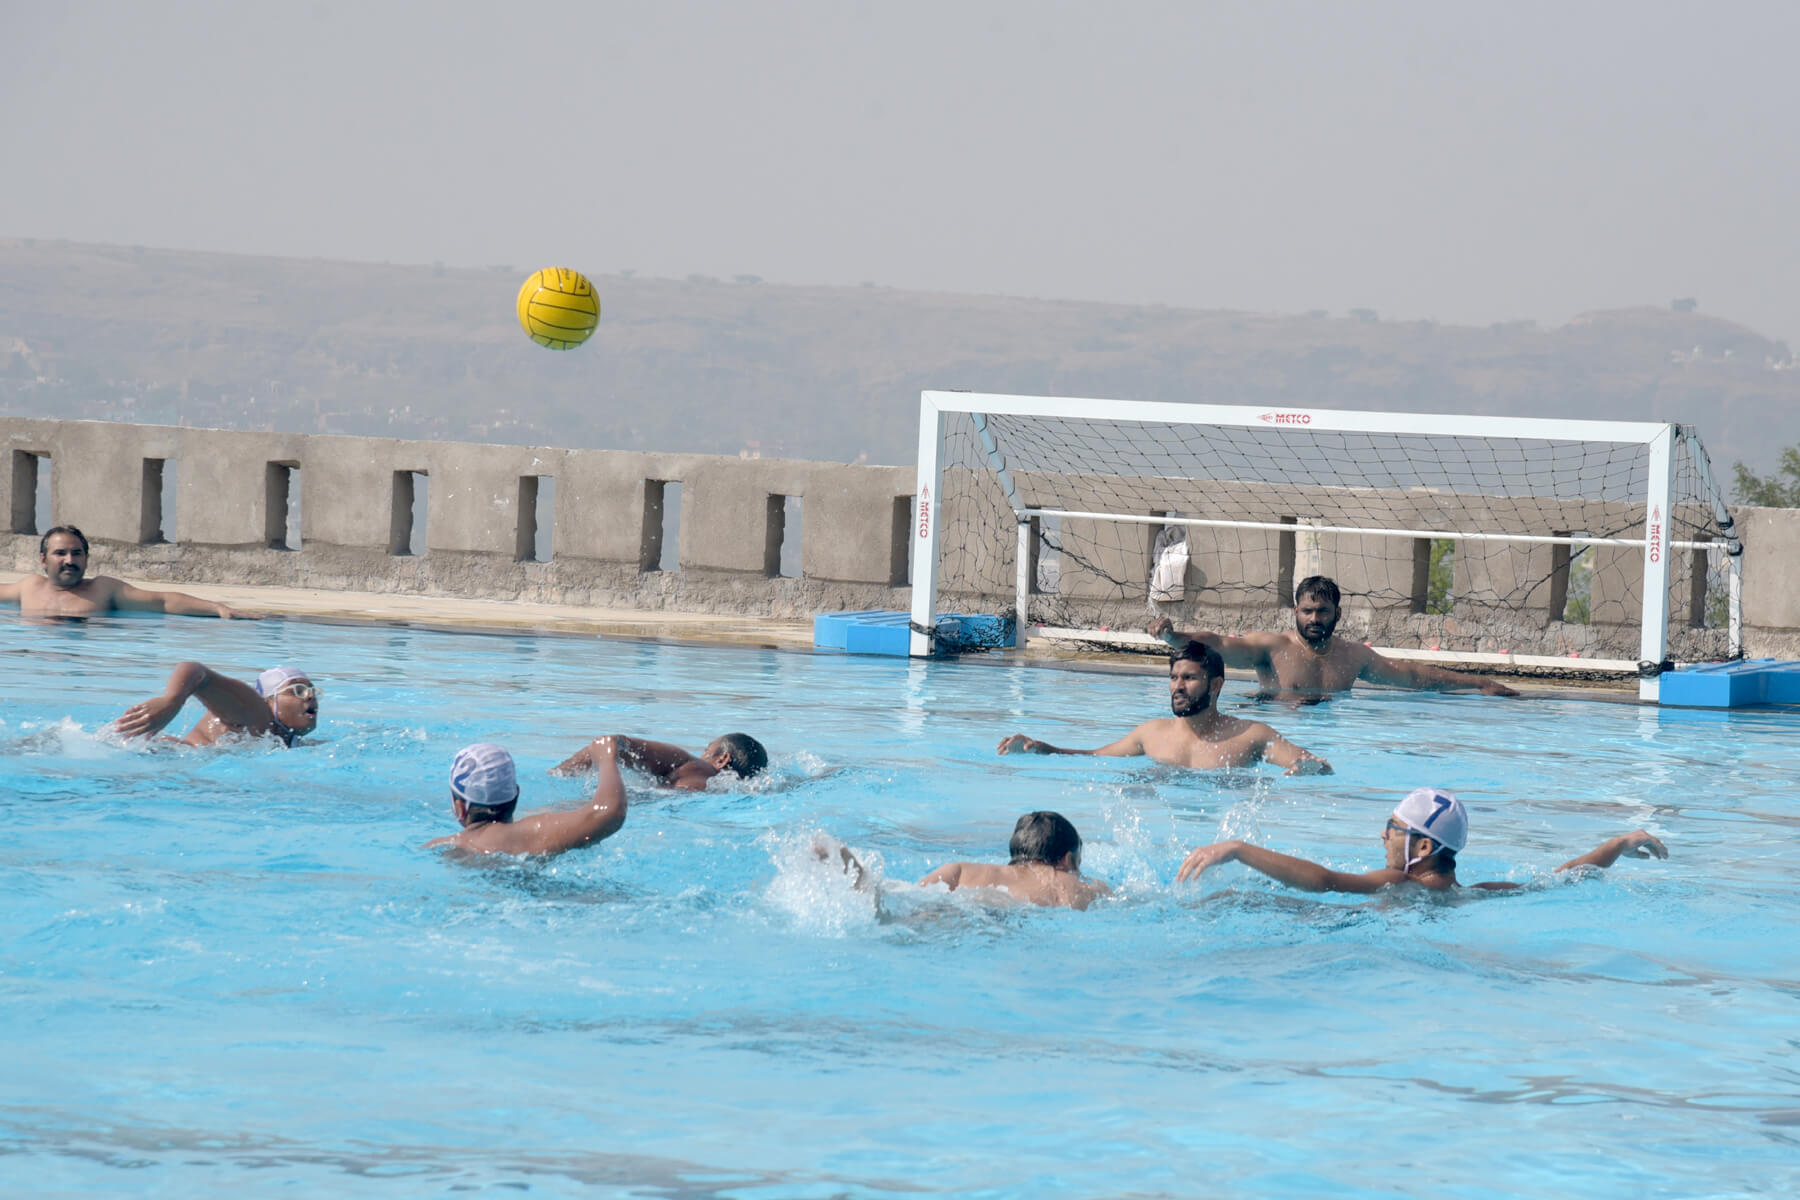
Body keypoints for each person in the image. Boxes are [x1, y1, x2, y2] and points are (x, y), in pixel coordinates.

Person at [1176, 786, 1668, 893]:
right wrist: (1619, 843)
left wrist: (1238, 848)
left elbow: (1324, 881)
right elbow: (1566, 876)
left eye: (1393, 829)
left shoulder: (1398, 883)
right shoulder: (1477, 894)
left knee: (1239, 900)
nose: (1383, 836)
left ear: (1424, 846)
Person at [1149, 575, 1516, 699]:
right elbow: (1220, 644)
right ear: (1295, 612)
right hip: (1278, 720)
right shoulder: (1270, 649)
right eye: (1307, 611)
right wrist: (1173, 637)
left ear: (1337, 614)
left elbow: (1413, 676)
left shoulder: (1353, 655)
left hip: (1333, 736)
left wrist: (1479, 683)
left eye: (1323, 612)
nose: (1314, 619)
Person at [997, 642, 1331, 774]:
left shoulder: (1251, 735)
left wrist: (1311, 769)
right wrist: (1045, 750)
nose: (1178, 687)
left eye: (1189, 678)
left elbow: (1310, 765)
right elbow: (1095, 758)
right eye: (1173, 677)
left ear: (1216, 685)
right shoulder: (1151, 733)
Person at [820, 811, 1112, 911]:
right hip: (1011, 918)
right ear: (1066, 859)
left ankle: (862, 882)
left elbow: (913, 893)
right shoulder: (1080, 886)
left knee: (895, 902)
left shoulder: (962, 870)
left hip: (960, 903)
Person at [1, 525, 256, 619]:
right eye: (61, 554)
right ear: (44, 560)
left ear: (86, 558)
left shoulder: (102, 590)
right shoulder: (30, 587)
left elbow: (164, 602)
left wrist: (217, 608)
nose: (70, 560)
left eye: (77, 554)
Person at [427, 739, 628, 857]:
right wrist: (605, 756)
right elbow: (610, 811)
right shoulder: (530, 835)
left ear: (459, 807)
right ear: (516, 794)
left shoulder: (441, 847)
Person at [114, 663, 320, 747]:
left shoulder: (286, 740)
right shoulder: (256, 712)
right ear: (268, 700)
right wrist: (171, 702)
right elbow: (195, 671)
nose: (310, 696)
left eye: (313, 691)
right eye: (298, 690)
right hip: (166, 757)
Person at [550, 731, 767, 789]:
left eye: (707, 749)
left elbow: (613, 743)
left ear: (721, 760)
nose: (701, 755)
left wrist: (558, 774)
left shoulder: (687, 763)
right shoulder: (722, 792)